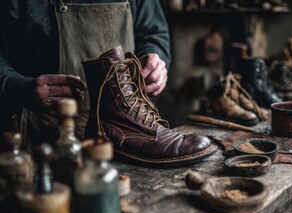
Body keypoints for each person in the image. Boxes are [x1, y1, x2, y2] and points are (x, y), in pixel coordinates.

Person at [0, 0, 170, 149]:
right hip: (42, 141)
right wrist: (21, 87)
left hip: (127, 138)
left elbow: (152, 32)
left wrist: (154, 58)